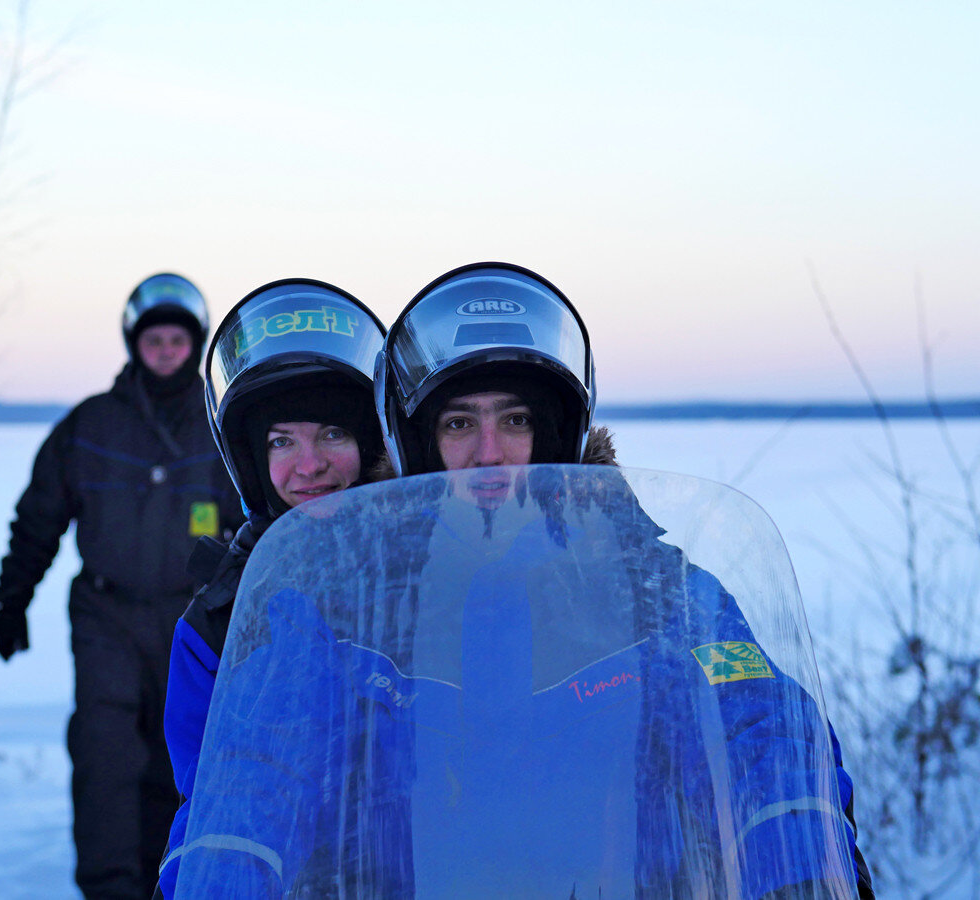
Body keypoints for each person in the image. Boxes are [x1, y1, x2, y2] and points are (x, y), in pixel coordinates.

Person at [374, 261, 875, 898]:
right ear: (421, 442)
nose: (490, 452)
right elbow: (277, 769)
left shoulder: (644, 579)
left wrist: (801, 861)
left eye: (516, 420)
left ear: (554, 434)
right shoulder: (380, 594)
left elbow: (757, 719)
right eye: (459, 424)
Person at [0, 273, 245, 900]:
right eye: (152, 339)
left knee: (182, 757)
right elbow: (39, 516)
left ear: (195, 343)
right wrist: (12, 599)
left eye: (176, 339)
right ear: (135, 344)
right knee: (105, 757)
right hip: (107, 615)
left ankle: (174, 882)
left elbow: (260, 519)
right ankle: (109, 889)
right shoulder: (90, 427)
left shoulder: (222, 428)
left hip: (195, 622)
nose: (164, 350)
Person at [156, 279, 387, 899]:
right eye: (281, 441)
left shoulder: (428, 578)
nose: (308, 465)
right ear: (253, 461)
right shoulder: (224, 619)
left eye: (333, 433)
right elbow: (211, 802)